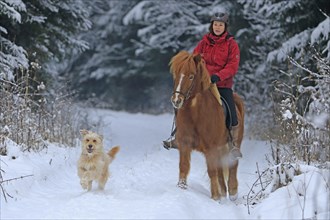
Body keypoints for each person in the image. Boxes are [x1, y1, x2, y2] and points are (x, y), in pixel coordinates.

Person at [163, 12, 242, 160]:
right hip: (202, 84)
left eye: (221, 25)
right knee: (183, 103)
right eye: (215, 24)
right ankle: (178, 135)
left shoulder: (232, 44)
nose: (218, 27)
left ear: (225, 27)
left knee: (231, 110)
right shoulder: (204, 42)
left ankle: (233, 143)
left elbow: (233, 66)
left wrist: (218, 76)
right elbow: (193, 61)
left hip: (221, 83)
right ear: (211, 26)